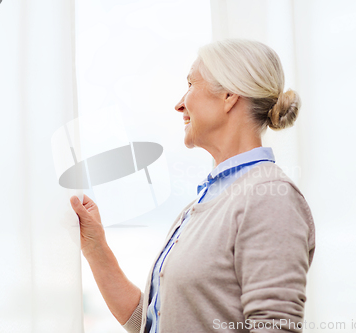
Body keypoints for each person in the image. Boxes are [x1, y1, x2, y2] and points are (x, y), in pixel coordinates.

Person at [70, 38, 316, 333]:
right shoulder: (204, 203)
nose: (179, 104)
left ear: (228, 95)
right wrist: (95, 246)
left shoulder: (270, 197)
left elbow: (275, 327)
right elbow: (150, 323)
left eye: (190, 83)